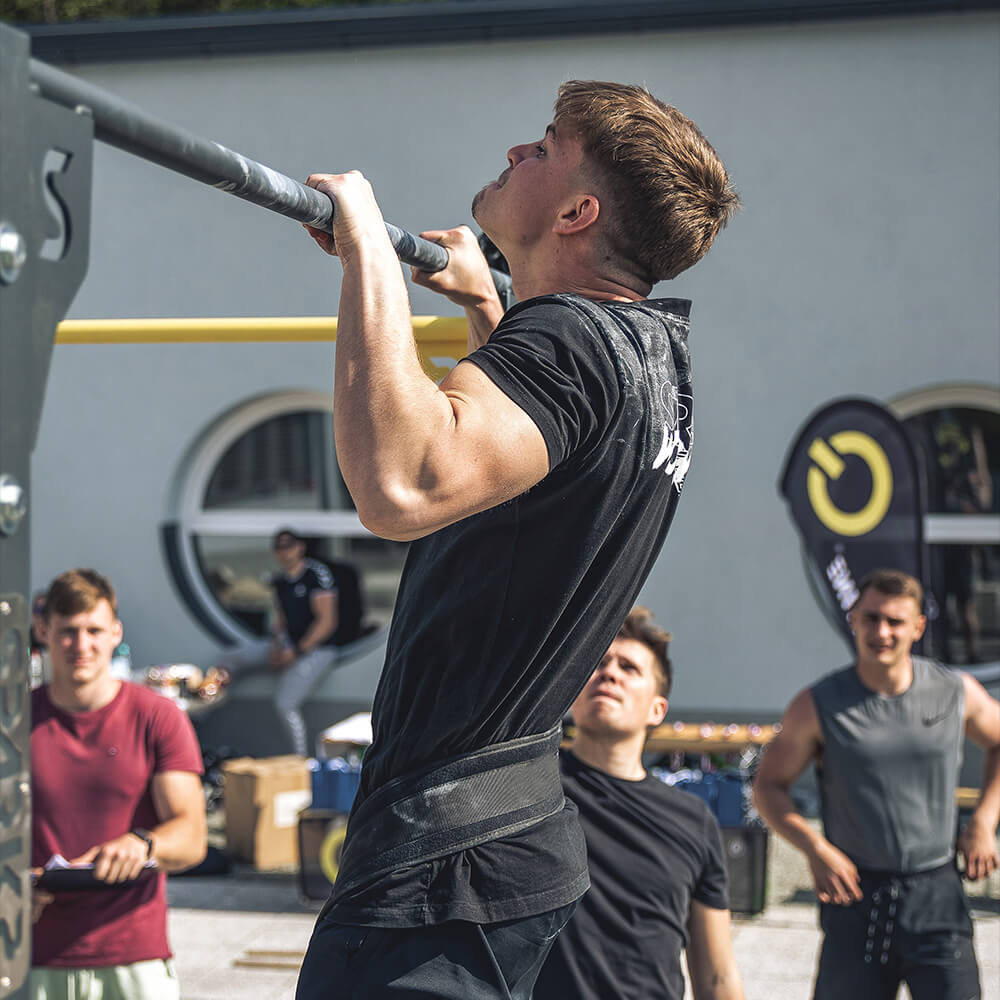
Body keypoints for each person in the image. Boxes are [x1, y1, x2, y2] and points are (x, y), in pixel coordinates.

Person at [296, 80, 738, 999]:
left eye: (542, 147)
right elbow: (535, 475)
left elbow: (403, 482)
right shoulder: (650, 355)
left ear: (577, 212)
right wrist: (487, 306)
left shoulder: (569, 342)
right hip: (504, 838)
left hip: (439, 862)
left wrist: (367, 250)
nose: (514, 153)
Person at [753, 568, 1000, 1000]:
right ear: (853, 619)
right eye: (871, 618)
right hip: (855, 894)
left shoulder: (953, 690)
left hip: (936, 892)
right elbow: (768, 787)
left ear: (918, 627)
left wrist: (983, 821)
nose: (881, 632)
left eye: (895, 621)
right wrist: (815, 849)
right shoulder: (818, 704)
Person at [534, 607, 745, 1000]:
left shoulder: (693, 820)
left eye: (629, 668)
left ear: (657, 709)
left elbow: (717, 976)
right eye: (598, 664)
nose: (609, 674)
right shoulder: (532, 788)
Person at [30, 568, 207, 999]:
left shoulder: (157, 717)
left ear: (116, 633)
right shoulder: (14, 722)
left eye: (93, 630)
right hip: (31, 955)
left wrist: (142, 844)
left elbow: (192, 837)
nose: (81, 645)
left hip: (133, 956)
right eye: (68, 631)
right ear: (43, 632)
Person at [218, 528, 364, 757]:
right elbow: (281, 621)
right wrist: (277, 647)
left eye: (289, 546)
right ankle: (203, 708)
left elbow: (326, 622)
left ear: (300, 547)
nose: (284, 552)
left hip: (319, 649)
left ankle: (300, 760)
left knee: (285, 703)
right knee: (232, 657)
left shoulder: (316, 574)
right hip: (289, 645)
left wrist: (295, 652)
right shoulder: (281, 580)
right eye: (278, 547)